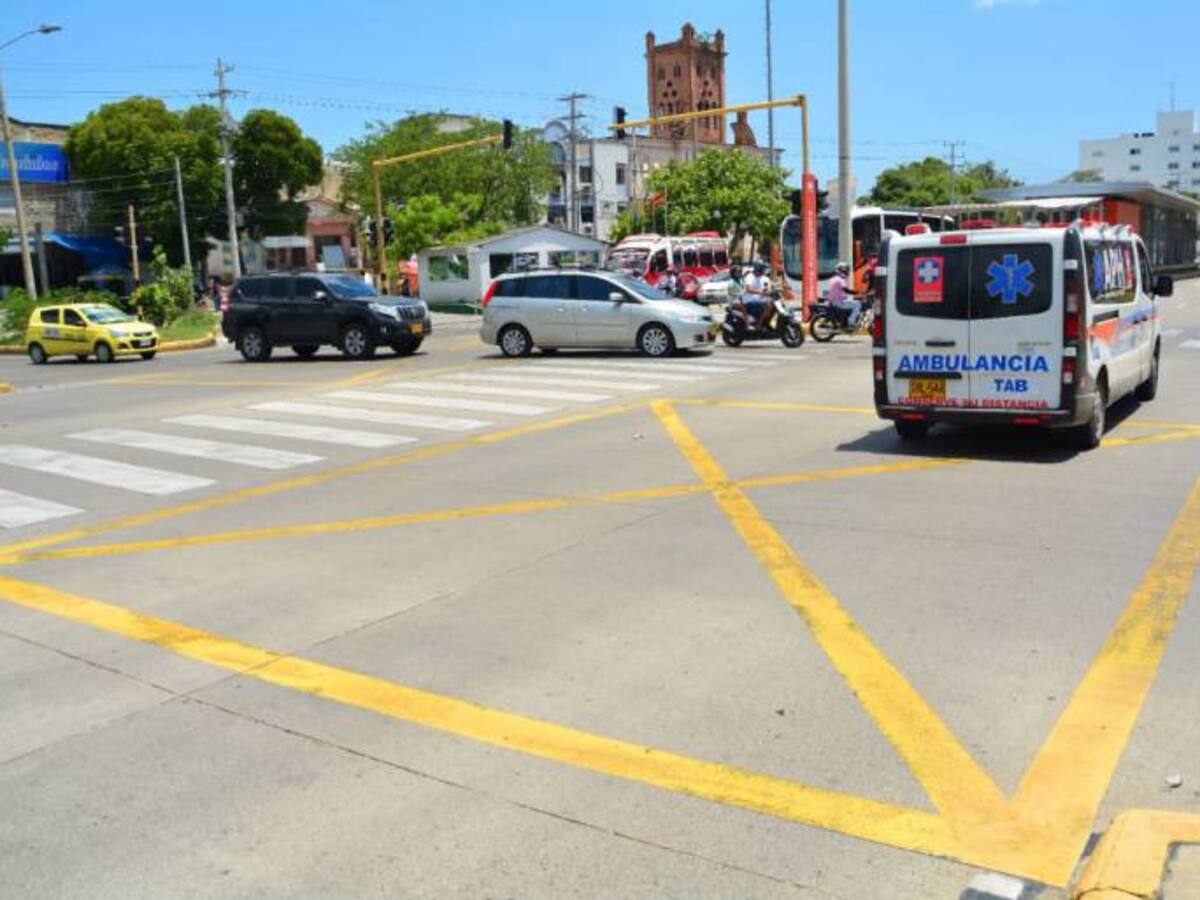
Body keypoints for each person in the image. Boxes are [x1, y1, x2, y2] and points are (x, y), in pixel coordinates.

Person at [828, 262, 863, 329]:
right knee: (858, 304)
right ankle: (851, 323)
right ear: (841, 271)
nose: (847, 273)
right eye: (846, 271)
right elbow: (846, 290)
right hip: (838, 302)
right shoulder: (840, 280)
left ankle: (846, 321)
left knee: (852, 302)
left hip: (834, 301)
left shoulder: (833, 279)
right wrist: (858, 292)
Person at [741, 262, 771, 328]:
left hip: (759, 299)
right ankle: (759, 324)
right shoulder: (749, 277)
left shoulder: (763, 278)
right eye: (761, 270)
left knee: (773, 304)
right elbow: (749, 289)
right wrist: (761, 291)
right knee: (767, 304)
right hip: (749, 301)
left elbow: (766, 287)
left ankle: (766, 324)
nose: (762, 272)